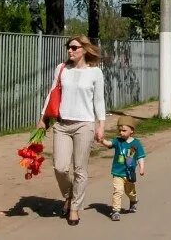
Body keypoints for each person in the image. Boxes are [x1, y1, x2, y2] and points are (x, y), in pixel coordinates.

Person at [38, 35, 107, 225]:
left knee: (80, 169)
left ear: (84, 49)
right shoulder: (62, 69)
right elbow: (51, 94)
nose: (70, 50)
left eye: (75, 47)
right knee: (60, 167)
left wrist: (101, 125)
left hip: (84, 125)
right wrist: (43, 117)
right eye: (69, 47)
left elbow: (99, 101)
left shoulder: (95, 73)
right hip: (61, 124)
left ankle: (75, 207)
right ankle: (69, 196)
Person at [102, 117, 145, 221]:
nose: (121, 132)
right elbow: (109, 144)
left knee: (130, 192)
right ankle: (116, 211)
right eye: (120, 130)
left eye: (124, 130)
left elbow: (140, 157)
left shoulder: (136, 144)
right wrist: (102, 140)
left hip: (129, 173)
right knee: (118, 191)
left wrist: (141, 168)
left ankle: (133, 201)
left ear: (132, 131)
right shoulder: (118, 141)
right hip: (118, 172)